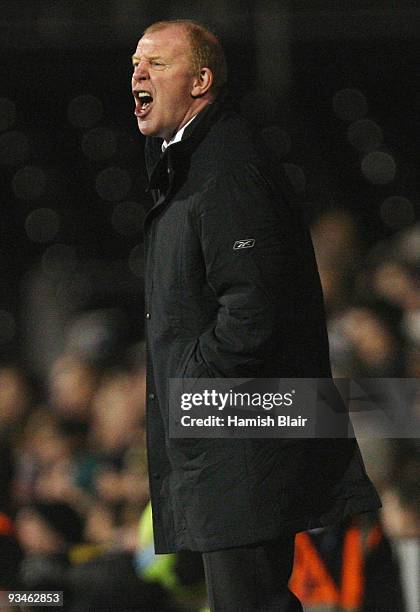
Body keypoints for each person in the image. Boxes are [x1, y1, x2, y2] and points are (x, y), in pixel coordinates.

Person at [132, 19, 381, 611]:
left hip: (237, 431)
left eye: (156, 64)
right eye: (135, 65)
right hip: (225, 433)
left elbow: (253, 308)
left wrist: (195, 383)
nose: (138, 74)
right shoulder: (191, 162)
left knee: (253, 602)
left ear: (201, 81)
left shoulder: (227, 167)